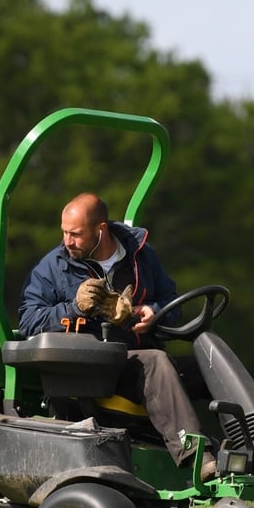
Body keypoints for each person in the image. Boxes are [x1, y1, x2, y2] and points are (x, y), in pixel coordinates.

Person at [18, 192, 217, 482]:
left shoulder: (142, 256)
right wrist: (74, 308)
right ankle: (197, 456)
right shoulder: (53, 267)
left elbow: (172, 305)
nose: (67, 241)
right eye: (64, 232)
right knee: (156, 362)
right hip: (93, 370)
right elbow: (28, 322)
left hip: (138, 362)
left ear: (101, 230)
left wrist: (153, 312)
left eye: (76, 234)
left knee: (211, 364)